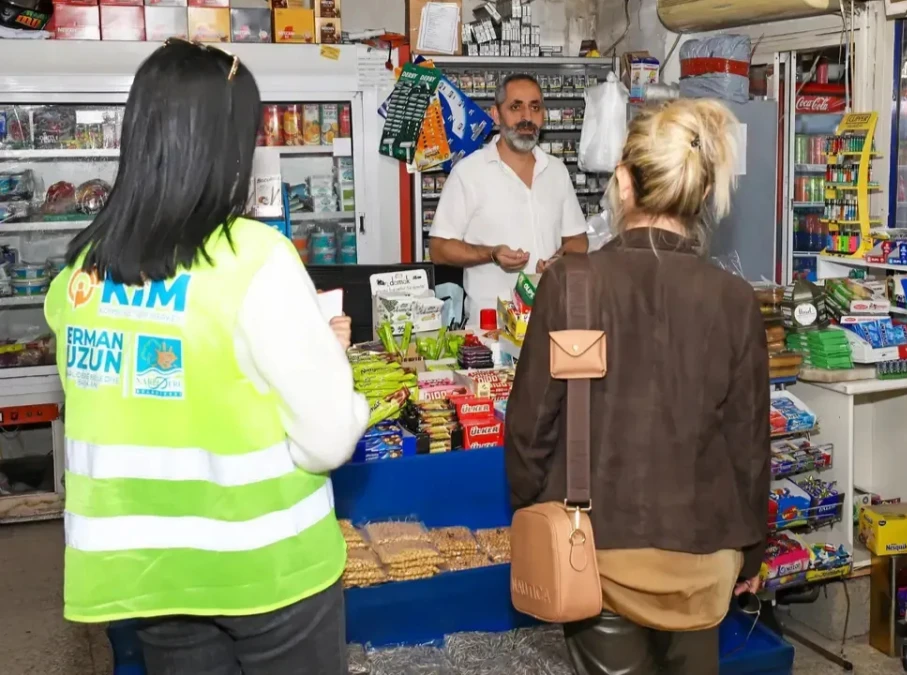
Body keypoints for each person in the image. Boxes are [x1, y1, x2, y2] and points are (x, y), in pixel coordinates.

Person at [44, 40, 368, 674]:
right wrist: (333, 364)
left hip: (151, 571)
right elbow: (327, 439)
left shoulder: (80, 271)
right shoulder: (254, 258)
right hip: (267, 565)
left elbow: (120, 399)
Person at [504, 99, 770, 675]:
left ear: (623, 183)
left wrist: (532, 509)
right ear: (700, 197)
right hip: (705, 557)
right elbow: (748, 443)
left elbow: (529, 429)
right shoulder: (734, 300)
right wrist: (751, 549)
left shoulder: (571, 283)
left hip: (598, 550)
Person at [428, 73, 589, 325]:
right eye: (516, 107)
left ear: (543, 115)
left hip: (552, 320)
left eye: (534, 107)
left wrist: (560, 258)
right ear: (495, 114)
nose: (527, 117)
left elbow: (578, 239)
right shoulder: (468, 173)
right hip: (491, 331)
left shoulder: (556, 171)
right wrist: (491, 254)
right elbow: (438, 249)